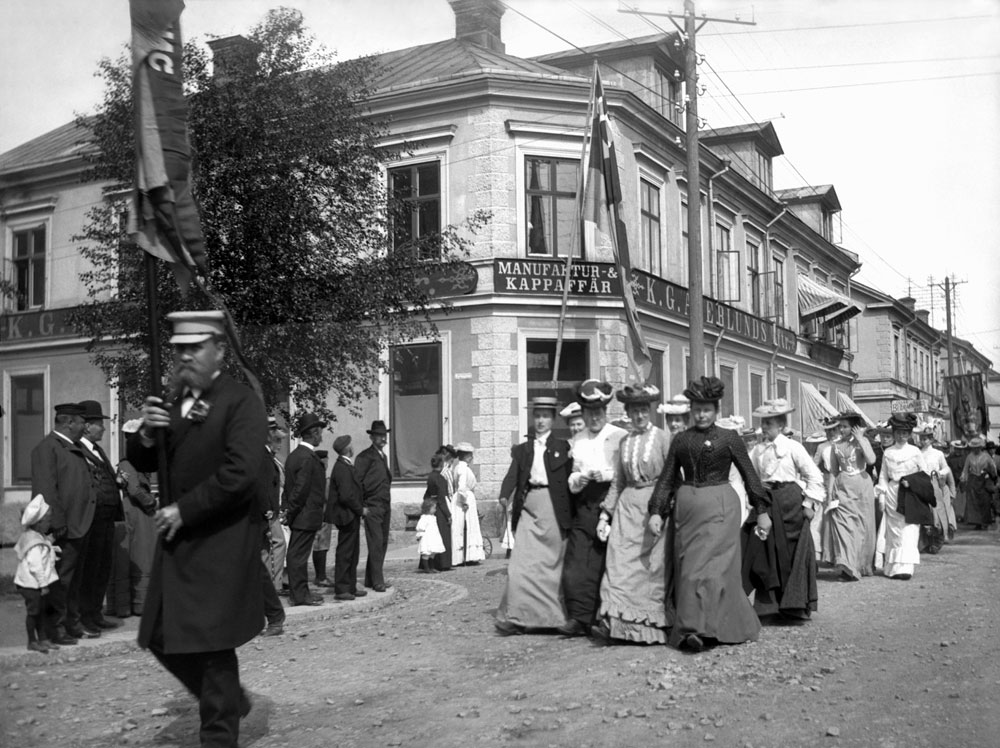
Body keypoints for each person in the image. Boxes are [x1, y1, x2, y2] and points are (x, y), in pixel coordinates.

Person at [128, 310, 266, 747]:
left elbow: (240, 474)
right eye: (179, 350)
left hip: (219, 541)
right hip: (179, 545)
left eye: (194, 348)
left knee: (213, 648)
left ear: (219, 350)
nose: (185, 357)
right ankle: (230, 700)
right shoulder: (171, 404)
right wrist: (147, 435)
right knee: (157, 635)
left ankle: (220, 732)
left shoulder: (240, 401)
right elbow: (146, 461)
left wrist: (185, 510)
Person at [649, 376, 767, 651]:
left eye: (707, 409)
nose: (701, 414)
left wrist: (761, 510)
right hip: (688, 511)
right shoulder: (681, 440)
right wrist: (656, 510)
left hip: (721, 509)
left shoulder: (730, 439)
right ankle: (693, 629)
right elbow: (666, 478)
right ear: (691, 410)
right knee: (690, 570)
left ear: (717, 410)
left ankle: (715, 627)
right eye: (697, 409)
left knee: (716, 570)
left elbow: (750, 476)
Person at [591, 385, 671, 645]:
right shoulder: (624, 442)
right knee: (618, 567)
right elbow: (618, 482)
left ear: (650, 411)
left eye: (643, 410)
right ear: (627, 412)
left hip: (653, 510)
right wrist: (606, 515)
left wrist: (664, 509)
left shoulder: (662, 438)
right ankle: (617, 626)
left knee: (650, 571)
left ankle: (648, 628)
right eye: (634, 411)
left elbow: (670, 478)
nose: (639, 416)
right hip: (626, 511)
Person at [494, 396, 573, 636]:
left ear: (553, 419)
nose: (541, 421)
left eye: (546, 417)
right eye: (537, 416)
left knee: (550, 564)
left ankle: (552, 618)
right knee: (520, 563)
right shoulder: (523, 450)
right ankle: (516, 616)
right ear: (533, 418)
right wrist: (504, 496)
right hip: (528, 506)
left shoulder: (563, 448)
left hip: (554, 507)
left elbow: (572, 478)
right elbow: (512, 476)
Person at [746, 399, 825, 621]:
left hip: (790, 503)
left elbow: (814, 476)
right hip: (767, 502)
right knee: (765, 550)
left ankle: (795, 605)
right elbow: (751, 477)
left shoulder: (792, 447)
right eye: (763, 423)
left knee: (791, 552)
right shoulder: (757, 450)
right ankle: (767, 606)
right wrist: (755, 494)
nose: (764, 427)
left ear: (781, 425)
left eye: (769, 423)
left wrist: (809, 504)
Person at [560, 380, 627, 637]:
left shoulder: (619, 436)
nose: (594, 417)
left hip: (613, 501)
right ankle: (580, 617)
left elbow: (625, 474)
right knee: (577, 562)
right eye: (589, 413)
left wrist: (606, 474)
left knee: (606, 562)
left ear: (605, 412)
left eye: (599, 413)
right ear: (583, 414)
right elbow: (573, 477)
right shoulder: (577, 440)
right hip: (585, 504)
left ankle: (608, 616)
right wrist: (579, 480)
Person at [31, 401, 93, 645]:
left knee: (73, 581)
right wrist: (57, 524)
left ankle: (70, 624)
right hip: (63, 528)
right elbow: (46, 490)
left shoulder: (72, 447)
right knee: (58, 581)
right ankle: (53, 630)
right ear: (68, 422)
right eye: (81, 422)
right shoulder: (48, 449)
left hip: (80, 524)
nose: (84, 427)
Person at [76, 399, 124, 636]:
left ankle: (95, 613)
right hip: (91, 519)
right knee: (90, 569)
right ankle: (85, 616)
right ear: (86, 426)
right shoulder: (77, 449)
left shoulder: (97, 450)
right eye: (98, 424)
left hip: (105, 518)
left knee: (103, 567)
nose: (103, 428)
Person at [824, 411, 878, 580]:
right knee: (842, 525)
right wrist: (830, 492)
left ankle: (859, 564)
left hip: (861, 487)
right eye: (840, 426)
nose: (841, 429)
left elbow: (871, 460)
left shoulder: (862, 443)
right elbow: (833, 470)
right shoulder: (836, 445)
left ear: (854, 427)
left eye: (845, 426)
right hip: (842, 487)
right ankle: (847, 566)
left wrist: (861, 438)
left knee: (860, 527)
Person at [876, 412, 929, 580]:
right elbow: (883, 475)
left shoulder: (915, 452)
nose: (901, 436)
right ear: (894, 433)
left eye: (905, 433)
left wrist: (912, 482)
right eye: (898, 433)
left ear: (909, 434)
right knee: (894, 531)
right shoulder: (888, 452)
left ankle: (905, 568)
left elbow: (925, 474)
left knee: (909, 529)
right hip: (892, 492)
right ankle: (892, 568)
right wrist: (882, 496)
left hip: (910, 494)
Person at [282, 413, 328, 606]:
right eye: (320, 432)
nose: (321, 437)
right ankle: (299, 595)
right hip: (304, 515)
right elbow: (300, 490)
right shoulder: (308, 458)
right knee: (297, 556)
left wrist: (287, 509)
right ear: (314, 433)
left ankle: (301, 591)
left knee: (298, 555)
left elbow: (289, 487)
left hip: (301, 514)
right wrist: (290, 511)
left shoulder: (295, 456)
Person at [115, 418, 159, 617]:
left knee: (141, 554)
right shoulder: (127, 463)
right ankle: (136, 603)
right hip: (136, 511)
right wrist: (152, 502)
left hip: (138, 511)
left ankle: (136, 603)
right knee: (140, 555)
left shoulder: (135, 463)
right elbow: (134, 490)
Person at [15, 495, 60, 653]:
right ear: (39, 522)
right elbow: (36, 566)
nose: (50, 523)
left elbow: (44, 552)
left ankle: (43, 639)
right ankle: (32, 641)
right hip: (31, 583)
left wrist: (52, 549)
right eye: (48, 521)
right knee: (34, 612)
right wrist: (43, 585)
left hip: (34, 582)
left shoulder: (35, 536)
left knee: (41, 611)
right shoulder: (34, 542)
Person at [327, 435, 368, 602]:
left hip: (350, 515)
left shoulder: (345, 465)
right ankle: (342, 588)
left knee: (353, 552)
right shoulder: (342, 467)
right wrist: (360, 510)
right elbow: (346, 495)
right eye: (351, 444)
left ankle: (350, 585)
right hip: (346, 515)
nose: (353, 447)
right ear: (347, 448)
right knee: (345, 553)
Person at [356, 420, 393, 592]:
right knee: (375, 542)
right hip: (372, 505)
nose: (382, 439)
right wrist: (361, 506)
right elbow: (357, 482)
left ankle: (371, 578)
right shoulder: (365, 457)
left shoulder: (382, 456)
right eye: (379, 436)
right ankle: (378, 580)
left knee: (382, 542)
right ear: (371, 437)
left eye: (384, 435)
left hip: (384, 504)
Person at [917, 426, 956, 552]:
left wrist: (940, 473)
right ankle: (925, 542)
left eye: (926, 438)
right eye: (922, 438)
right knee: (925, 515)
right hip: (922, 486)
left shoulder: (938, 454)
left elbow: (946, 468)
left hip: (936, 486)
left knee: (938, 515)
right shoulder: (917, 453)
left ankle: (937, 541)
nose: (923, 441)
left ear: (931, 440)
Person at [263, 417, 288, 595]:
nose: (280, 444)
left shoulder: (271, 458)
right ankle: (273, 584)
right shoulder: (262, 457)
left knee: (269, 546)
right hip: (267, 512)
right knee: (277, 544)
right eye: (277, 439)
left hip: (272, 510)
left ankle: (271, 584)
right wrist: (268, 508)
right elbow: (262, 485)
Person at [451, 442, 486, 566]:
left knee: (463, 526)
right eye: (470, 455)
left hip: (463, 498)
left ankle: (466, 555)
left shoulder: (459, 467)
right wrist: (464, 501)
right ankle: (465, 556)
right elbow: (461, 488)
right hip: (463, 499)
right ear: (466, 456)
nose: (472, 458)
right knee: (465, 526)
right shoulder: (462, 468)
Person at [961, 436, 997, 531]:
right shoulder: (969, 456)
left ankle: (984, 522)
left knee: (985, 502)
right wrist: (963, 479)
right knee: (973, 502)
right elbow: (965, 469)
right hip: (973, 480)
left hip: (984, 480)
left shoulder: (986, 456)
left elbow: (993, 468)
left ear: (980, 447)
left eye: (977, 447)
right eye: (974, 447)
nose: (975, 449)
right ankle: (976, 522)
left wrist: (991, 475)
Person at [424, 453, 453, 571]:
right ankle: (442, 563)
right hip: (439, 510)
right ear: (441, 464)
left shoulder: (430, 477)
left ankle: (430, 563)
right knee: (442, 536)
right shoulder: (440, 478)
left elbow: (427, 494)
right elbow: (442, 498)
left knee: (431, 537)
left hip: (432, 507)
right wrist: (448, 514)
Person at [310, 449, 334, 587]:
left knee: (320, 546)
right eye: (325, 460)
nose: (327, 463)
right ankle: (320, 576)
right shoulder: (320, 477)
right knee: (320, 546)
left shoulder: (319, 475)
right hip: (322, 516)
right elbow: (325, 496)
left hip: (323, 515)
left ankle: (321, 575)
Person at [415, 499, 445, 572]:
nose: (435, 510)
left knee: (432, 553)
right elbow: (420, 528)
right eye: (433, 508)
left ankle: (432, 567)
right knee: (426, 553)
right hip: (427, 538)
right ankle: (426, 568)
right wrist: (419, 535)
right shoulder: (424, 518)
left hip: (433, 537)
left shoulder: (433, 517)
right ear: (428, 509)